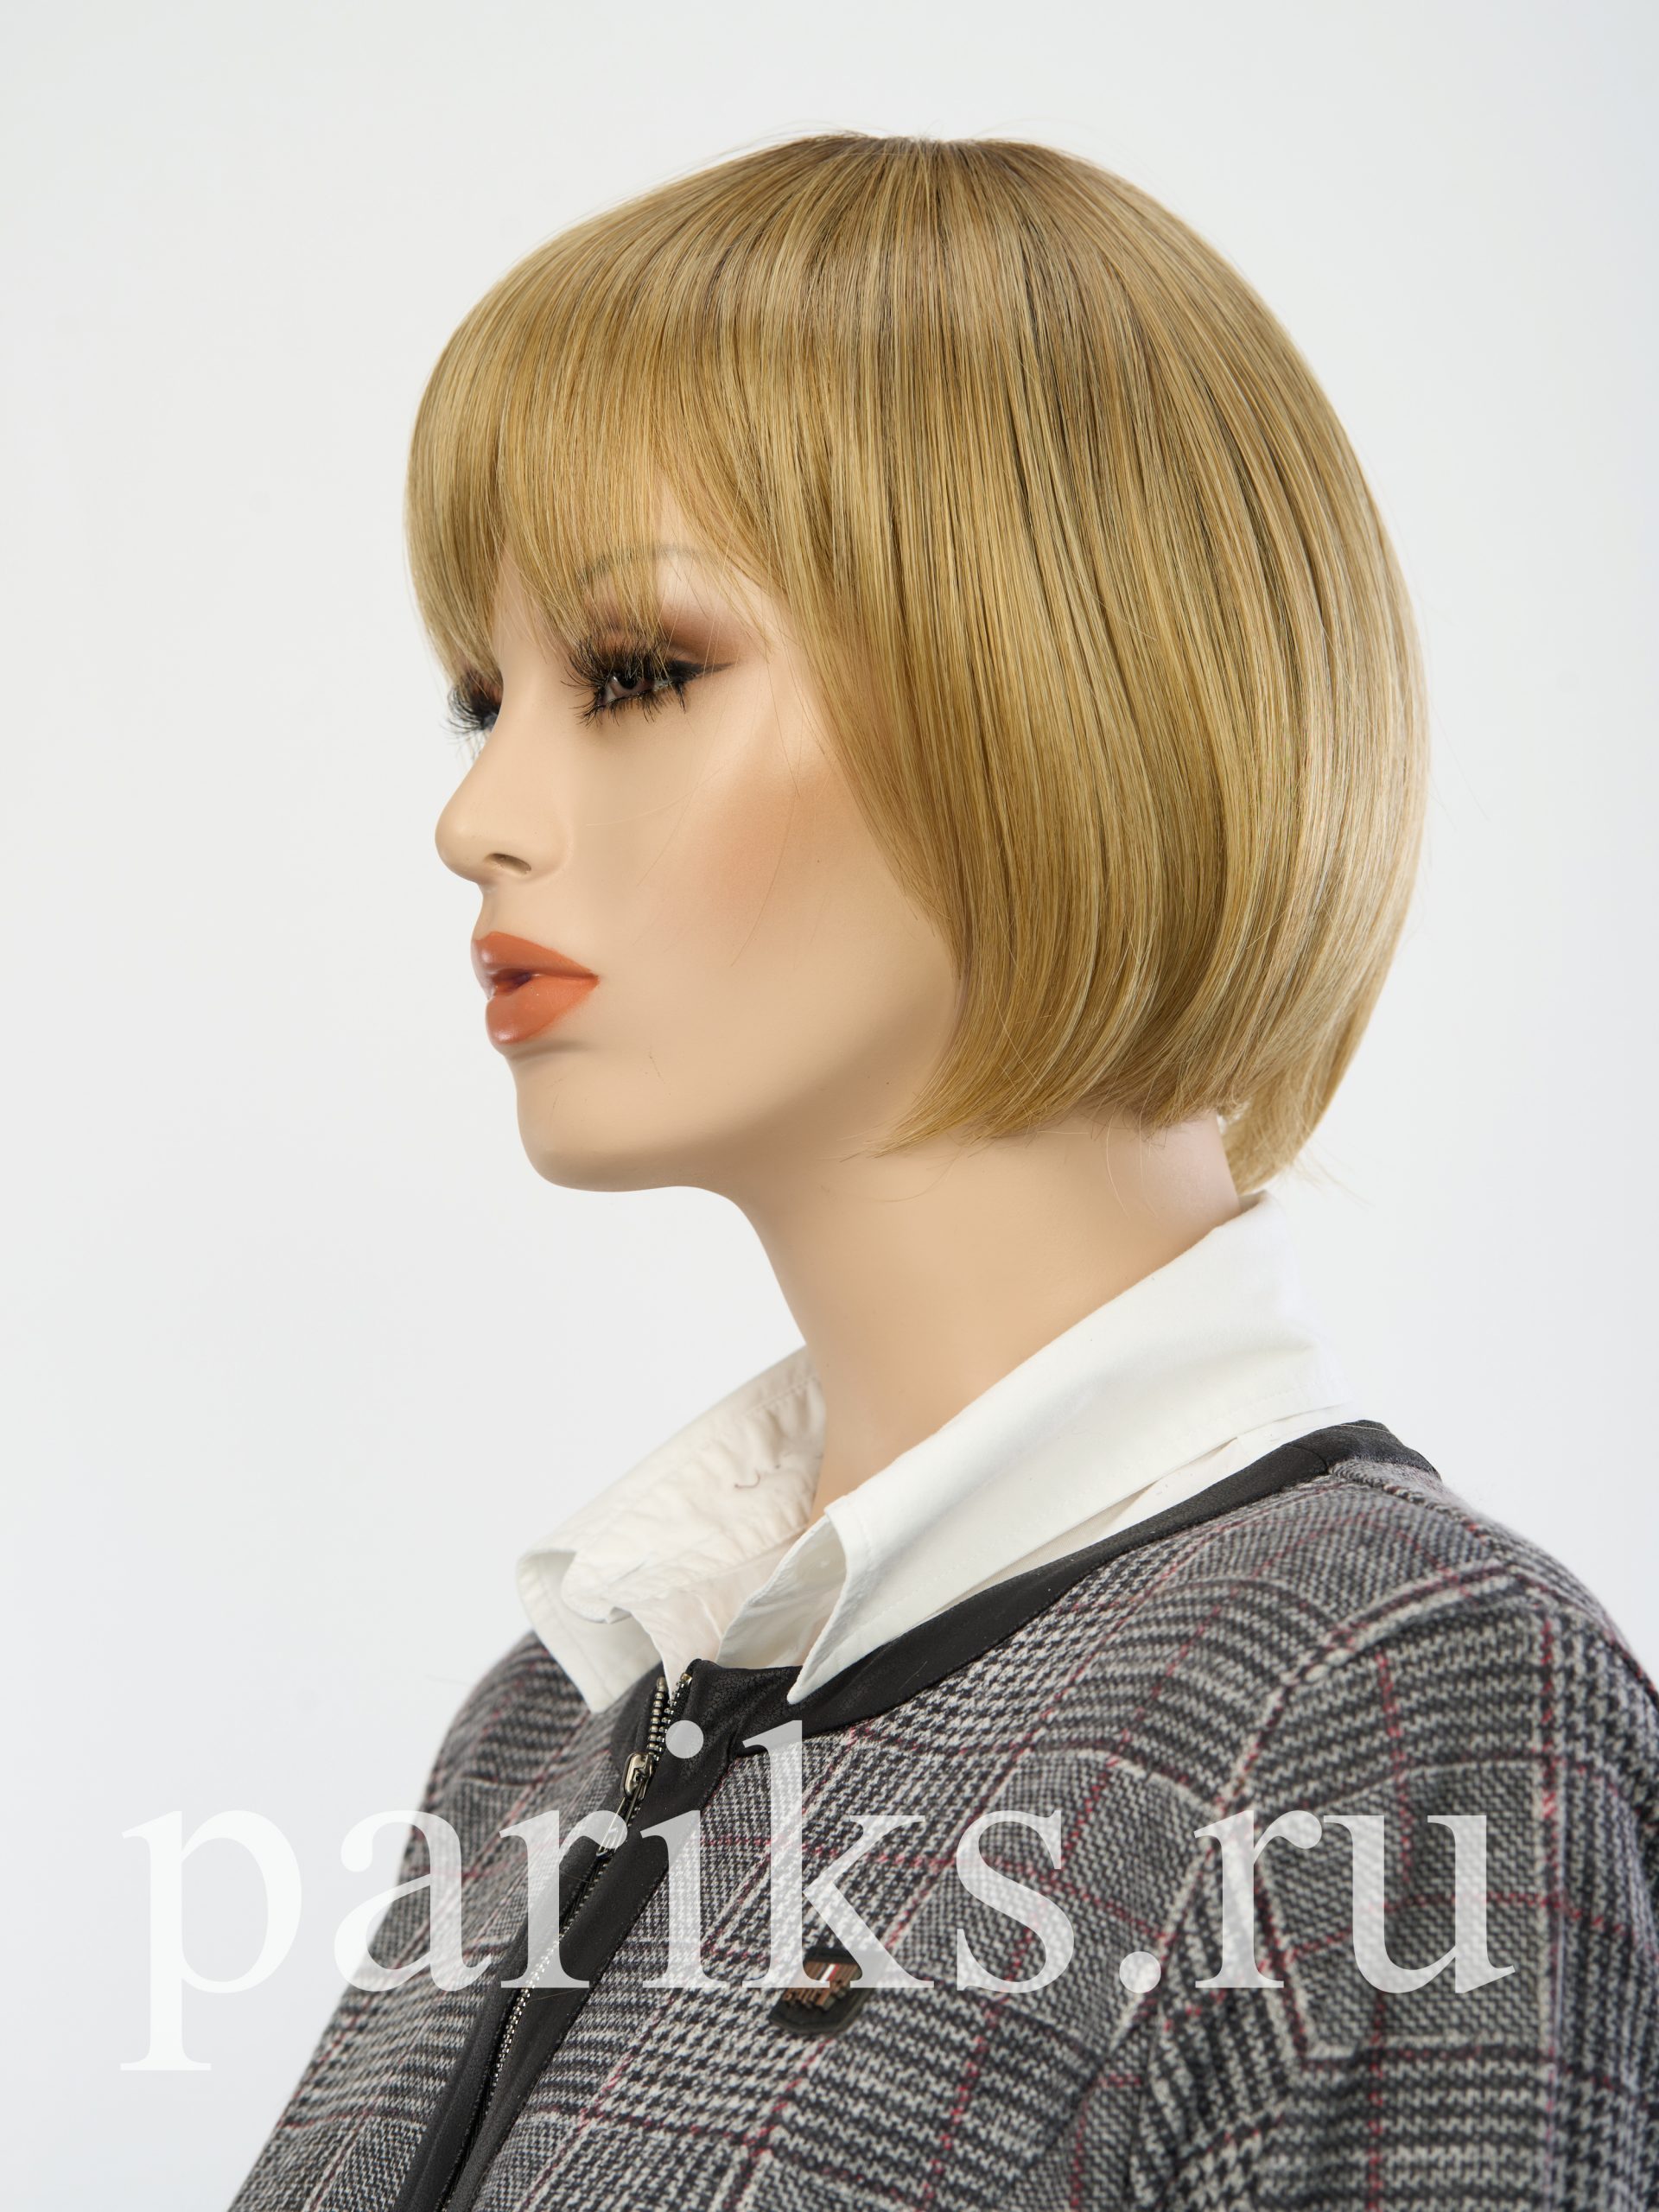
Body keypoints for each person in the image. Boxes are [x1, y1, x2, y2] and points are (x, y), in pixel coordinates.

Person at [231, 131, 1659, 2210]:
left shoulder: (1397, 1687)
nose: (480, 816)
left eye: (635, 673)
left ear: (1057, 691)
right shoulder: (557, 1714)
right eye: (483, 695)